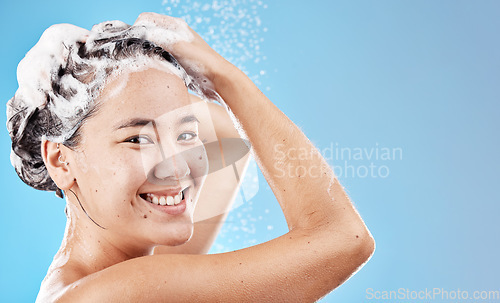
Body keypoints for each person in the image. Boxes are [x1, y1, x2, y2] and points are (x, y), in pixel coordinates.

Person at [7, 12, 374, 302]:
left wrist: (139, 75)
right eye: (136, 139)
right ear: (60, 160)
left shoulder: (91, 283)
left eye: (185, 136)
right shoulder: (121, 293)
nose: (178, 166)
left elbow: (223, 133)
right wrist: (224, 76)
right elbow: (345, 237)